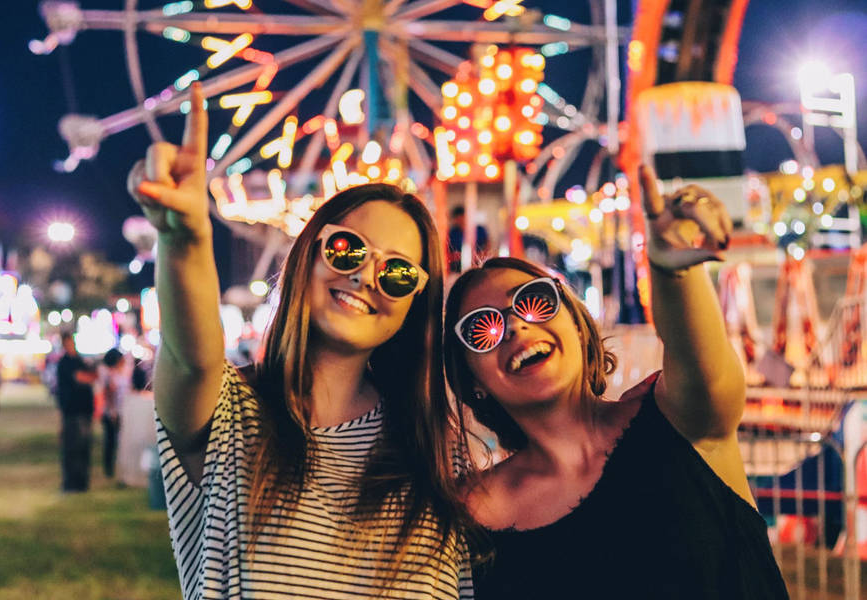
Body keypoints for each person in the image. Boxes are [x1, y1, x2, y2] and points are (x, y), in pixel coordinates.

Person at [129, 82, 472, 598]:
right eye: (346, 249)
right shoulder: (231, 415)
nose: (364, 277)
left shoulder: (439, 452)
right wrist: (184, 238)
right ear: (308, 254)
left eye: (398, 273)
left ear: (414, 305)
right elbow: (192, 357)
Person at [444, 166, 789, 599]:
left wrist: (671, 269)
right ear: (472, 379)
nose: (514, 328)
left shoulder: (678, 421)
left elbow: (704, 366)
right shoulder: (467, 514)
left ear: (575, 321)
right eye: (482, 328)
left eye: (535, 302)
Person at [56, 332, 97, 492]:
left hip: (84, 410)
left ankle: (81, 482)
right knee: (72, 448)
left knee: (83, 448)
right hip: (72, 411)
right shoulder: (65, 363)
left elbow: (92, 376)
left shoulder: (80, 360)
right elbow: (83, 377)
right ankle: (71, 482)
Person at [99, 348, 128, 478]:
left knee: (116, 440)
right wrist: (112, 412)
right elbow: (108, 394)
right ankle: (109, 469)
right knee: (111, 441)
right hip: (112, 413)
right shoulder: (110, 374)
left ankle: (115, 467)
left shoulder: (120, 373)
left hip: (120, 411)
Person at [448, 205, 490, 273]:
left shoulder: (480, 229)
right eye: (458, 219)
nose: (460, 221)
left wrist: (479, 255)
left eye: (462, 218)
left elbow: (488, 245)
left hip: (479, 264)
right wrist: (457, 255)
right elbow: (449, 251)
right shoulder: (453, 232)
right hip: (458, 266)